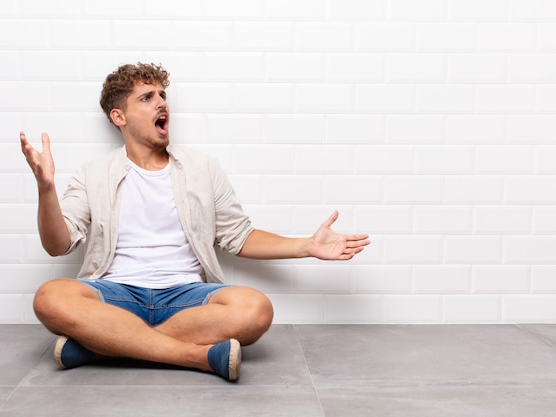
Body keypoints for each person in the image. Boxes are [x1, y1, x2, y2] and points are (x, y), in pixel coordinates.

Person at [19, 62, 370, 381]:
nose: (161, 103)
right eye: (146, 97)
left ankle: (101, 346)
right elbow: (57, 244)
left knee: (256, 308)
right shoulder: (92, 173)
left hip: (186, 296)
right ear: (119, 117)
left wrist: (306, 246)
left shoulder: (202, 168)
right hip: (115, 293)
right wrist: (45, 188)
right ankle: (196, 356)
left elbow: (239, 237)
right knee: (51, 296)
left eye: (162, 95)